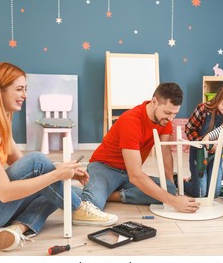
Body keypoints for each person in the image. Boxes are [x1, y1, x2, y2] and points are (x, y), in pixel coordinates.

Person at [0, 62, 117, 252]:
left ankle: (16, 229)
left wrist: (65, 172)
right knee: (43, 169)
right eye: (19, 89)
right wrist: (56, 175)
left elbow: (23, 168)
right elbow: (4, 191)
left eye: (25, 89)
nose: (25, 95)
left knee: (58, 190)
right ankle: (78, 210)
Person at [81, 83, 200, 213]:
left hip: (127, 173)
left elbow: (165, 153)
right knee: (91, 205)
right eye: (167, 112)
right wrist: (173, 202)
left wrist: (171, 187)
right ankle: (86, 191)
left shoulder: (164, 120)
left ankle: (111, 195)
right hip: (105, 168)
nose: (171, 118)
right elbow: (136, 175)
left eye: (174, 114)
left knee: (170, 190)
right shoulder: (131, 121)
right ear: (154, 101)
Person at [184, 83, 223, 198]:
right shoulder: (203, 109)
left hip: (215, 157)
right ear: (218, 97)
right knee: (201, 193)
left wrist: (220, 144)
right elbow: (189, 128)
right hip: (199, 155)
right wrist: (201, 142)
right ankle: (181, 181)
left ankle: (202, 181)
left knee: (214, 193)